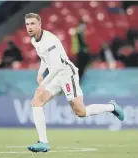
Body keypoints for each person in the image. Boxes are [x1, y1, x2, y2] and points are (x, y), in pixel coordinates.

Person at [24, 13, 125, 153]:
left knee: (80, 112)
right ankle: (43, 142)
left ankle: (111, 107)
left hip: (66, 74)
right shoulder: (34, 40)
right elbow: (44, 58)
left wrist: (42, 85)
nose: (29, 27)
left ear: (40, 24)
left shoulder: (49, 40)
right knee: (36, 103)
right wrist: (40, 72)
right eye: (27, 24)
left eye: (32, 23)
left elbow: (59, 66)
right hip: (55, 75)